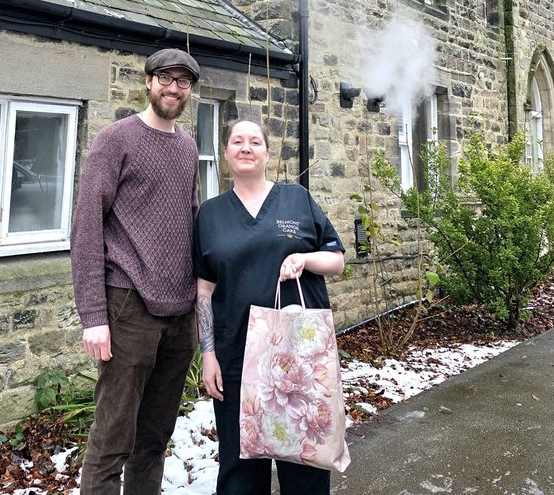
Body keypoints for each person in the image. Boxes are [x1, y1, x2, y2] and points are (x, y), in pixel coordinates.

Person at [71, 47, 203, 495]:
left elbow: (190, 217)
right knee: (113, 438)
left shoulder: (187, 146)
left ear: (189, 91)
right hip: (127, 304)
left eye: (183, 81)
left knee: (154, 438)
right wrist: (93, 316)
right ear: (148, 82)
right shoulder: (116, 139)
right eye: (165, 78)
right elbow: (87, 226)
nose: (173, 87)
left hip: (179, 312)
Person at [194, 119, 347, 495]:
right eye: (236, 141)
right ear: (225, 153)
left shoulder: (296, 198)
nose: (246, 148)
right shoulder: (209, 215)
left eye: (255, 141)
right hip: (235, 357)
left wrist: (305, 259)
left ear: (267, 152)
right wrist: (209, 354)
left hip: (298, 356)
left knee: (304, 460)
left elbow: (337, 260)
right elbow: (203, 290)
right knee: (239, 466)